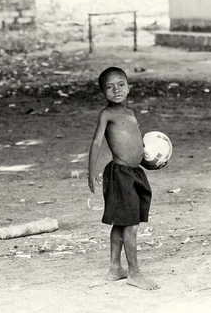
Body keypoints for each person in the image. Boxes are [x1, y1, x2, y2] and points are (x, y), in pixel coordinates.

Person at [88, 66, 159, 291]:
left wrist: (147, 160)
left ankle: (115, 268)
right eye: (109, 87)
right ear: (103, 92)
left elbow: (136, 143)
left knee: (122, 222)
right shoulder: (106, 114)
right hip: (120, 174)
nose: (116, 90)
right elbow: (97, 142)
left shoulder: (130, 114)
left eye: (120, 85)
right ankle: (134, 273)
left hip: (135, 172)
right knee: (131, 225)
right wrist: (90, 171)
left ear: (129, 88)